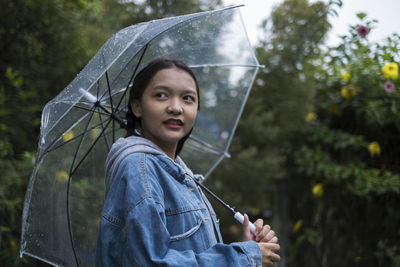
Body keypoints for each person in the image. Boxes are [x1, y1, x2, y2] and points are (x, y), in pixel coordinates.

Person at [95, 57, 280, 266]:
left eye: (188, 98)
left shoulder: (179, 173)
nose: (176, 108)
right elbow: (151, 262)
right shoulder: (140, 167)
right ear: (137, 106)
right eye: (161, 95)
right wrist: (243, 257)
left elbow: (193, 252)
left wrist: (246, 246)